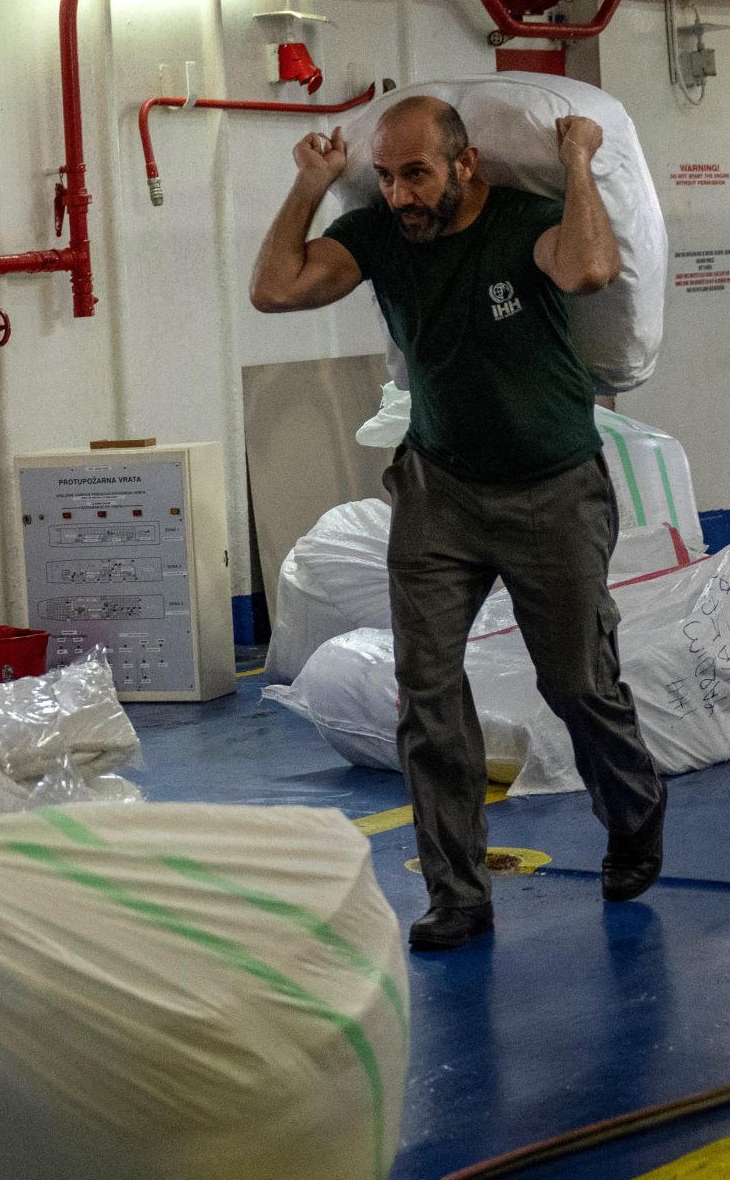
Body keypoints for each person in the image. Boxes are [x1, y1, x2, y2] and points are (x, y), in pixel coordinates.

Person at [247, 94, 666, 951]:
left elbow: (588, 270)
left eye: (417, 174)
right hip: (440, 492)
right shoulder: (380, 238)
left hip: (553, 491)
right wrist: (311, 185)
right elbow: (274, 287)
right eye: (388, 177)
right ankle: (458, 893)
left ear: (465, 164)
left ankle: (634, 809)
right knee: (428, 694)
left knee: (578, 682)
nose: (399, 193)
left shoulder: (522, 222)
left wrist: (579, 159)